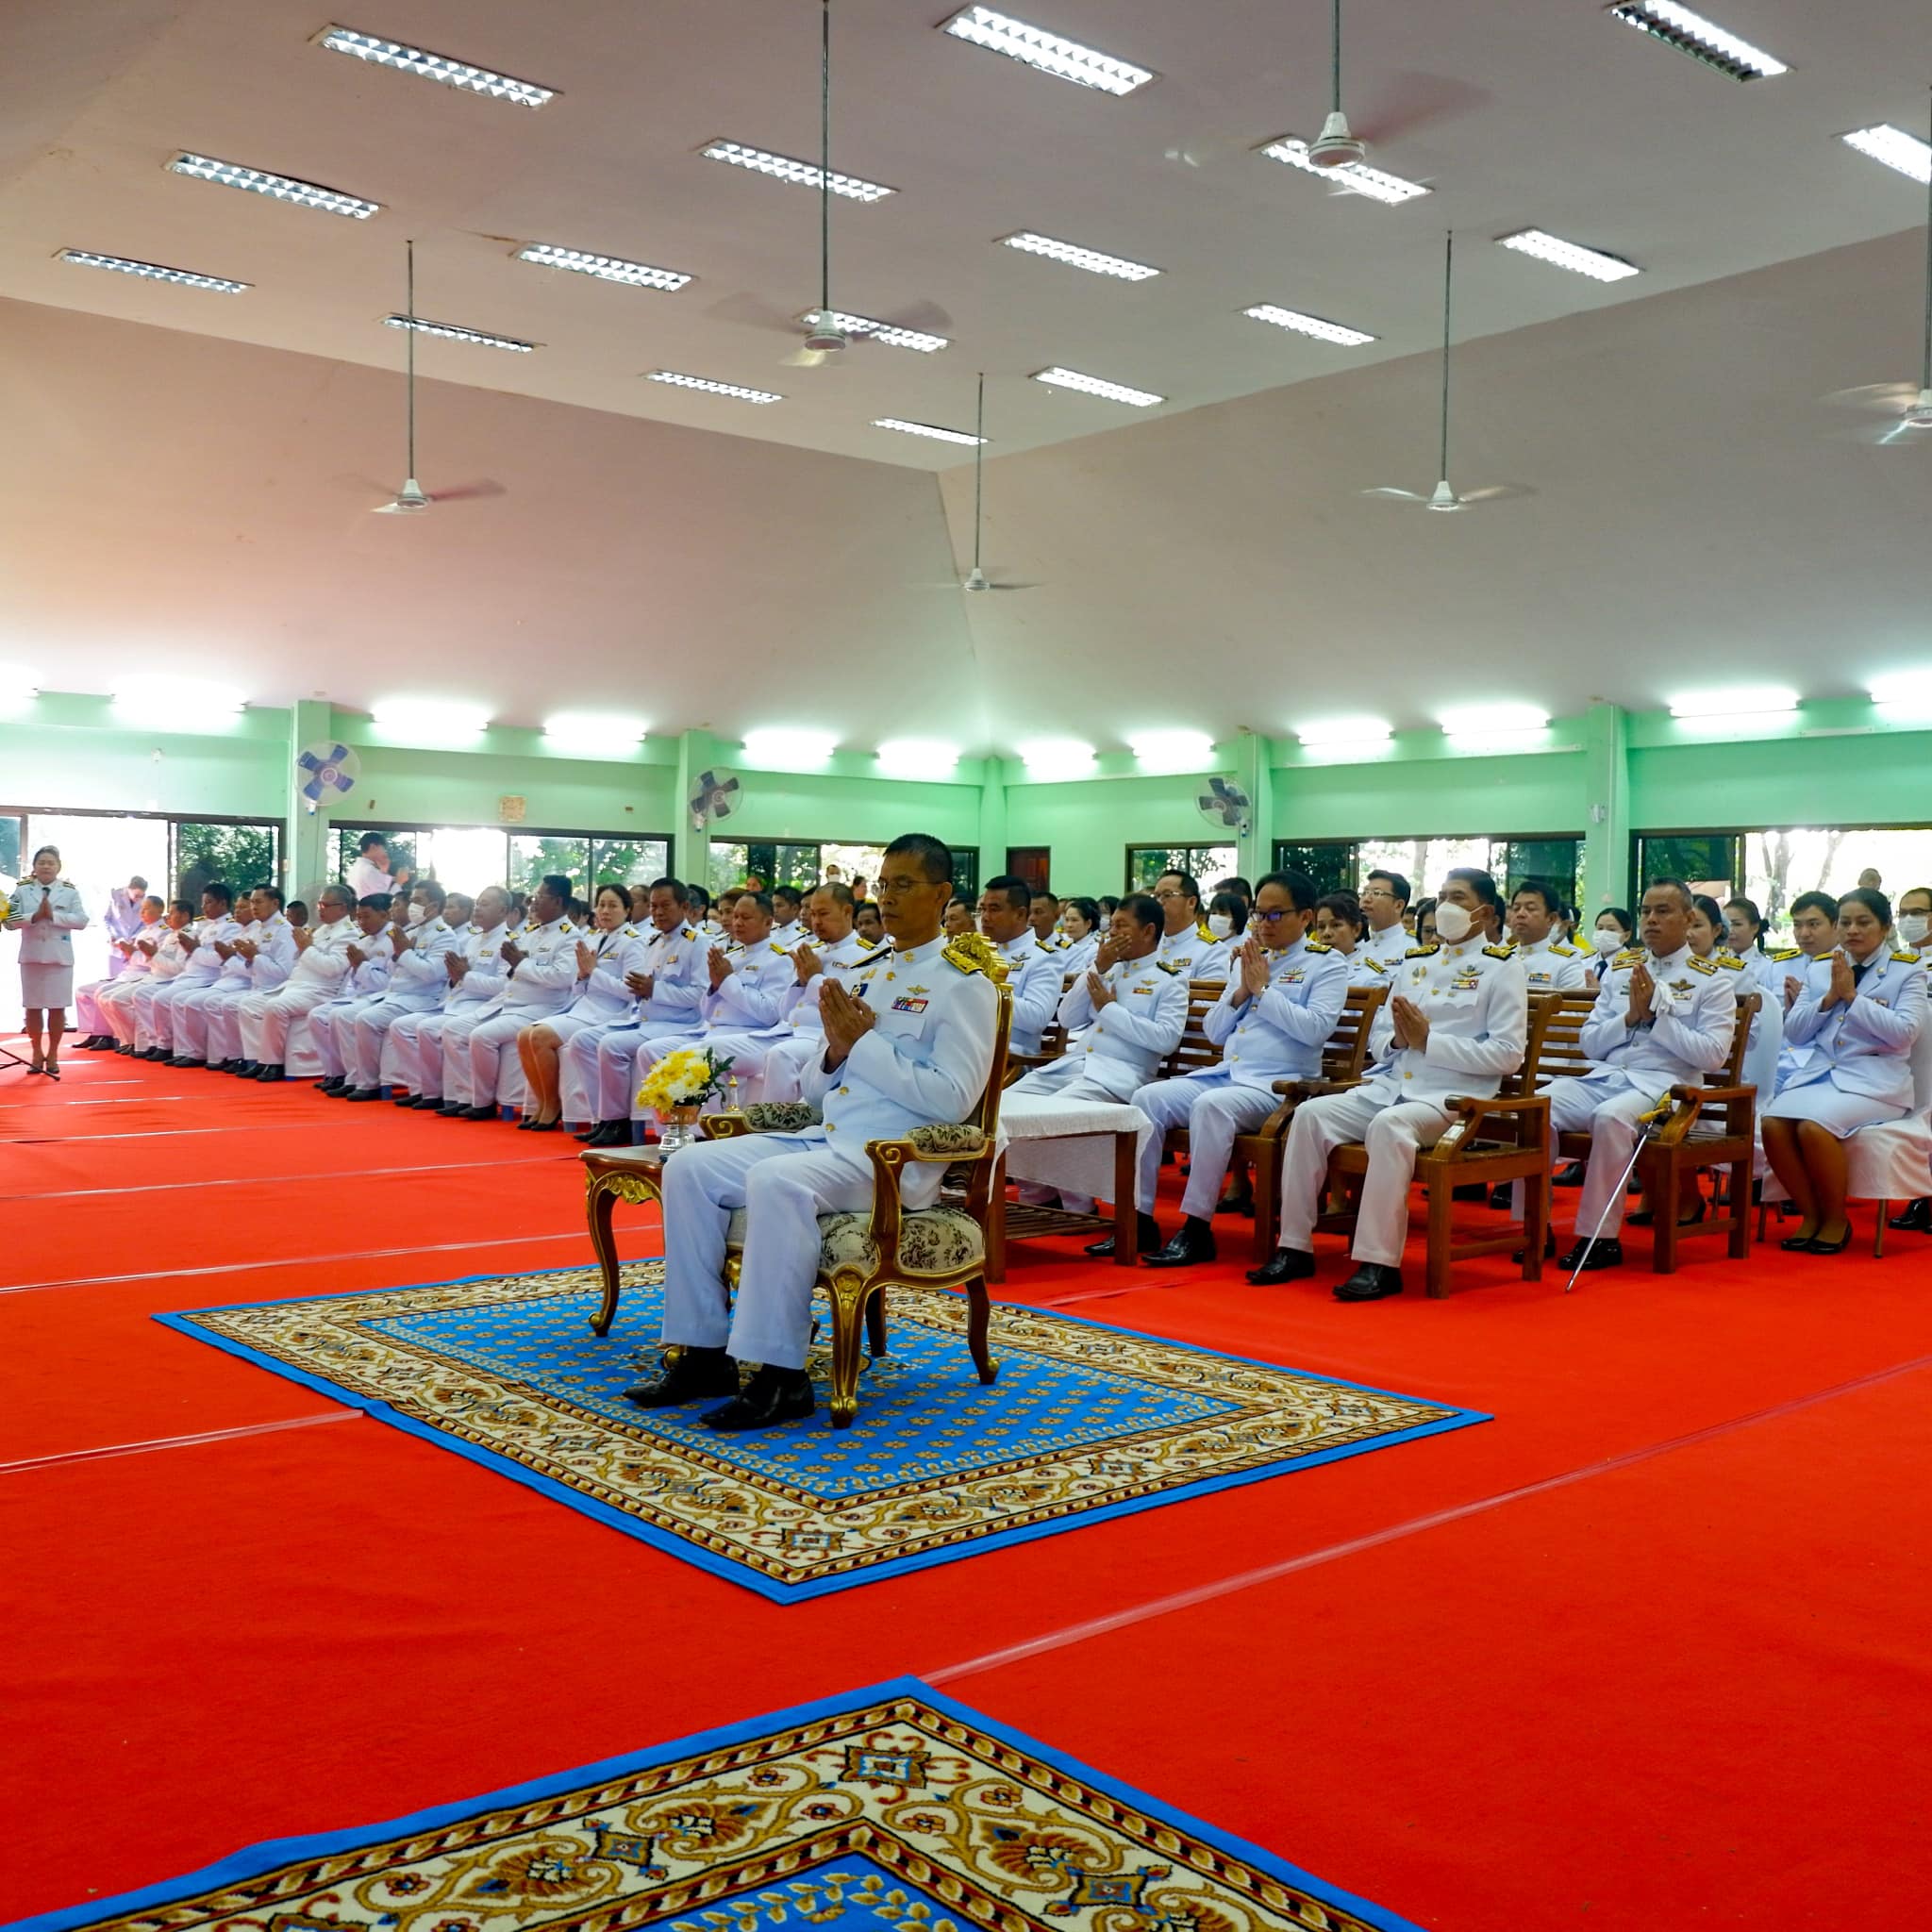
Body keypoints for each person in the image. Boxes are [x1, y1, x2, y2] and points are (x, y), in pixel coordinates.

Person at [626, 833, 996, 1431]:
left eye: (905, 885)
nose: (891, 898)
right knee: (689, 1165)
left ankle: (781, 1376)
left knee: (776, 1180)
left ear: (943, 894)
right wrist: (832, 1058)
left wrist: (862, 1044)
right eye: (885, 885)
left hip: (890, 1157)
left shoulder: (965, 984)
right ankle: (703, 1354)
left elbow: (953, 1100)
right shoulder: (871, 971)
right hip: (830, 1136)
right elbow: (823, 1087)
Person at [1260, 869, 1527, 1300]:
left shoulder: (1502, 969)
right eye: (1441, 897)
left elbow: (1508, 1054)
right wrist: (1399, 1039)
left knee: (1389, 1127)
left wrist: (1429, 1042)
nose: (1446, 907)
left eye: (1458, 898)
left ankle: (1378, 1262)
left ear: (1485, 913)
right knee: (1309, 1115)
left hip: (1453, 1096)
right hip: (1392, 1085)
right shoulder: (1416, 963)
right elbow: (1379, 1039)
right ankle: (1294, 1246)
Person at [1133, 870, 1349, 1270]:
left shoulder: (1328, 964)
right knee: (1147, 1099)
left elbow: (1315, 1030)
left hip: (1281, 1084)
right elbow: (1215, 1033)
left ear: (1304, 917)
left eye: (1274, 915)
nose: (1263, 924)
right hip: (1229, 1073)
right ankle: (1140, 1218)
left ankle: (1196, 1228)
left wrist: (1263, 992)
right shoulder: (1249, 959)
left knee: (1213, 1107)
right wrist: (1242, 991)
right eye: (1258, 914)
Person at [1518, 880, 1736, 1272]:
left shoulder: (1712, 978)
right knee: (1536, 1108)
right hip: (1606, 1076)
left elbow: (1714, 1056)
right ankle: (1533, 1226)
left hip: (1665, 1086)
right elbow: (1590, 1042)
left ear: (1688, 919)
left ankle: (1598, 1238)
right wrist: (1631, 1017)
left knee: (1611, 1118)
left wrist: (1656, 1021)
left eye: (1663, 911)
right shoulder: (1621, 970)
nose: (1651, 920)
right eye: (1646, 911)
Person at [1007, 893, 1190, 1244]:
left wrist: (1108, 1009)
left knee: (1053, 1114)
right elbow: (1068, 1017)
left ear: (1149, 930)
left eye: (1122, 926)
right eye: (1111, 926)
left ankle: (1081, 1208)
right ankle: (1039, 1196)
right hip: (1077, 1065)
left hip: (1120, 1075)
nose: (1112, 934)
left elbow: (1164, 1039)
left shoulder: (1169, 980)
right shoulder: (1109, 968)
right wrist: (1097, 968)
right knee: (1009, 1104)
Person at [1762, 888, 1926, 1254]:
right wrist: (1828, 998)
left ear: (1884, 927)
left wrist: (1853, 998)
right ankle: (1810, 1214)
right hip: (1821, 1076)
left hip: (1876, 1081)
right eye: (1846, 922)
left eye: (1863, 921)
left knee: (1813, 1127)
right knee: (1772, 1123)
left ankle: (1836, 1218)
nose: (1853, 930)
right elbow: (1796, 1033)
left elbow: (1904, 1033)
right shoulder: (1821, 969)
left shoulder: (1906, 970)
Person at [625, 891, 793, 1132]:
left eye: (746, 917)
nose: (737, 923)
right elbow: (706, 1010)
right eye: (735, 916)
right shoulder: (730, 956)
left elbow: (769, 1013)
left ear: (768, 922)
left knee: (699, 1056)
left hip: (753, 1035)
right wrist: (715, 986)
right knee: (650, 1051)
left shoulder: (780, 959)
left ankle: (709, 1132)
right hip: (712, 1030)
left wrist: (727, 981)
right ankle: (670, 1131)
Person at [571, 879, 709, 1146]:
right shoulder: (654, 942)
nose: (658, 912)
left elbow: (700, 995)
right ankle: (605, 1119)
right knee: (582, 1040)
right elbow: (636, 987)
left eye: (665, 905)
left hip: (678, 1024)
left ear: (684, 906)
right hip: (644, 1019)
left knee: (612, 1045)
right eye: (653, 906)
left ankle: (619, 1122)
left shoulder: (697, 943)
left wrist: (654, 990)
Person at [719, 882, 877, 1106]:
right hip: (787, 1030)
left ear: (847, 911)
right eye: (813, 914)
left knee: (781, 1056)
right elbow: (784, 1010)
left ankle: (773, 1126)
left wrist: (813, 978)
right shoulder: (812, 951)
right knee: (711, 1053)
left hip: (822, 1036)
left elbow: (846, 1007)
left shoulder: (866, 956)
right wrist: (801, 982)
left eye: (823, 914)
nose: (816, 922)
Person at [443, 875, 579, 1120]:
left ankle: (483, 1102)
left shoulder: (570, 935)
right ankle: (467, 1095)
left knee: (480, 1036)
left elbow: (562, 978)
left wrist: (521, 963)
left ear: (558, 901)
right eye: (534, 896)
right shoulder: (532, 932)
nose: (534, 902)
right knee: (455, 1028)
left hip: (541, 1007)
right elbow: (511, 972)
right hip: (508, 1002)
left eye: (540, 897)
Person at [514, 883, 635, 1129]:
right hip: (583, 1007)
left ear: (627, 910)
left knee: (539, 1036)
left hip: (610, 1013)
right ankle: (543, 1102)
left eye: (613, 905)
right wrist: (582, 976)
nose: (605, 911)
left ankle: (553, 1106)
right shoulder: (595, 938)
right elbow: (578, 985)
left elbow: (629, 990)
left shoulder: (633, 942)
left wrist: (593, 972)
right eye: (601, 905)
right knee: (524, 1034)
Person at [330, 880, 462, 1100]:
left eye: (418, 901)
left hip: (422, 997)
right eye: (412, 901)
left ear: (434, 905)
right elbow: (394, 970)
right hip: (395, 994)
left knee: (366, 1020)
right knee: (342, 1014)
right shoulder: (411, 931)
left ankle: (373, 1084)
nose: (412, 906)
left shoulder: (444, 934)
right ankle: (355, 1079)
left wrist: (404, 952)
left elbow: (432, 973)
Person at [385, 887, 514, 1107]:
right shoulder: (474, 940)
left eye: (485, 904)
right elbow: (456, 979)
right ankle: (428, 1091)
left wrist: (465, 976)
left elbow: (504, 987)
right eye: (478, 903)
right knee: (402, 1026)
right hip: (455, 1002)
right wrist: (456, 978)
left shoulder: (509, 941)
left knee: (438, 1029)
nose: (478, 909)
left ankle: (467, 1098)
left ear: (503, 911)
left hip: (484, 1006)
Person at [236, 884, 359, 1080]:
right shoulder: (321, 930)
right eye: (319, 904)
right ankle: (257, 1060)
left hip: (320, 991)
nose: (320, 909)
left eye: (325, 905)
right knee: (248, 1005)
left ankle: (274, 1064)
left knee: (276, 1007)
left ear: (342, 908)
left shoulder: (348, 933)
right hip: (297, 986)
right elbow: (298, 959)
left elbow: (332, 968)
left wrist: (306, 948)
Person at [192, 886, 298, 1072]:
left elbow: (285, 972)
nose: (253, 907)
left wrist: (253, 957)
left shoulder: (284, 930)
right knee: (227, 1004)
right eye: (252, 903)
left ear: (275, 903)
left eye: (258, 902)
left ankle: (260, 1061)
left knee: (237, 1004)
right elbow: (252, 967)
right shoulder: (259, 929)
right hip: (257, 986)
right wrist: (247, 958)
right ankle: (242, 1057)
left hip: (277, 988)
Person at [6, 846, 90, 1077]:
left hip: (59, 958)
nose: (45, 866)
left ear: (58, 867)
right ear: (34, 866)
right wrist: (33, 917)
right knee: (32, 1007)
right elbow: (8, 920)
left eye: (50, 863)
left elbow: (82, 920)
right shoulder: (22, 890)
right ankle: (35, 1053)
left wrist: (53, 915)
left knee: (57, 1007)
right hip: (32, 956)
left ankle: (52, 1054)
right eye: (41, 862)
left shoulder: (69, 891)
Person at [132, 882, 240, 1060]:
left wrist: (194, 950)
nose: (204, 907)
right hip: (189, 975)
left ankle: (186, 1050)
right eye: (203, 903)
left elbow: (218, 960)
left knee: (170, 999)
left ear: (222, 903)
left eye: (209, 902)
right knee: (157, 997)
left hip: (206, 978)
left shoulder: (230, 927)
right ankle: (174, 1047)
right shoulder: (207, 927)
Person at [298, 894, 397, 1084]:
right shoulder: (364, 940)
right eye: (359, 917)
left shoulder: (394, 940)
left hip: (380, 996)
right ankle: (335, 1073)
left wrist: (362, 965)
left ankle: (360, 1080)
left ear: (384, 915)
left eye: (367, 917)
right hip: (359, 995)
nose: (361, 922)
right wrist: (344, 994)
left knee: (341, 1015)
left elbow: (387, 984)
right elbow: (351, 980)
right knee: (318, 1015)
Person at [977, 875, 1064, 1057]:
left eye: (994, 910)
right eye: (982, 909)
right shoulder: (978, 951)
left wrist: (982, 989)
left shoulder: (1043, 958)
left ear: (1019, 914)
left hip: (1009, 1057)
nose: (985, 917)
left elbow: (1036, 1018)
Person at [99, 900, 192, 1050]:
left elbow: (177, 968)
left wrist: (152, 954)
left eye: (172, 912)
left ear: (185, 916)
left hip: (166, 979)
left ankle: (152, 1043)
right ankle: (131, 1041)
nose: (168, 916)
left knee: (130, 998)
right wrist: (142, 953)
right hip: (152, 976)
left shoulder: (182, 934)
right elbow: (155, 960)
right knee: (108, 997)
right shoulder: (168, 935)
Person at [76, 893, 165, 1045]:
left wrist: (132, 953)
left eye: (146, 909)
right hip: (129, 974)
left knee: (105, 994)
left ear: (160, 910)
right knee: (84, 991)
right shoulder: (143, 932)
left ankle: (119, 1038)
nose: (142, 913)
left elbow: (155, 961)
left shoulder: (164, 932)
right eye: (141, 909)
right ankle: (98, 1033)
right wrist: (127, 950)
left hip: (145, 975)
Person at [1505, 878, 1589, 991]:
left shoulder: (1566, 962)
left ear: (1551, 919)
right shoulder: (1502, 957)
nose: (1520, 914)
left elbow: (1572, 1006)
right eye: (1516, 909)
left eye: (1530, 909)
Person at [1150, 870, 1227, 980]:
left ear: (1191, 902)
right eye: (1156, 896)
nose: (1159, 901)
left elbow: (1207, 996)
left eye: (1167, 895)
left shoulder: (1213, 951)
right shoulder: (1148, 944)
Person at [99, 875, 150, 978]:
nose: (139, 899)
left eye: (141, 896)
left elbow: (144, 923)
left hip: (133, 944)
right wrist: (112, 934)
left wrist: (136, 937)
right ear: (128, 889)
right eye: (136, 895)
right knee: (113, 978)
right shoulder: (115, 896)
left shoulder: (145, 901)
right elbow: (106, 919)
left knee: (129, 979)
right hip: (116, 942)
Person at [1313, 891, 1369, 970]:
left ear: (1356, 930)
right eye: (1321, 927)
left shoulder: (1371, 974)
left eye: (1336, 925)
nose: (1326, 933)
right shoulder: (1306, 968)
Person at [346, 832, 408, 899]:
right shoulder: (369, 870)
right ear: (373, 847)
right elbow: (385, 901)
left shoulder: (356, 868)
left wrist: (383, 871)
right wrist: (399, 882)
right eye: (383, 849)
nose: (385, 852)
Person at [1588, 906, 1634, 983]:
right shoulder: (1584, 961)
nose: (1603, 934)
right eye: (1600, 928)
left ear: (1626, 935)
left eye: (1611, 930)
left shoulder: (1632, 966)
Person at [1058, 896, 1103, 976]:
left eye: (1074, 920)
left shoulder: (1095, 948)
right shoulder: (1061, 940)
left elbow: (1089, 976)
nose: (1069, 925)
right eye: (1067, 919)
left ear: (1088, 923)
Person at [770, 884, 807, 949]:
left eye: (779, 906)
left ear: (795, 909)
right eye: (773, 906)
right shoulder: (770, 932)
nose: (774, 910)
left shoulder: (805, 936)